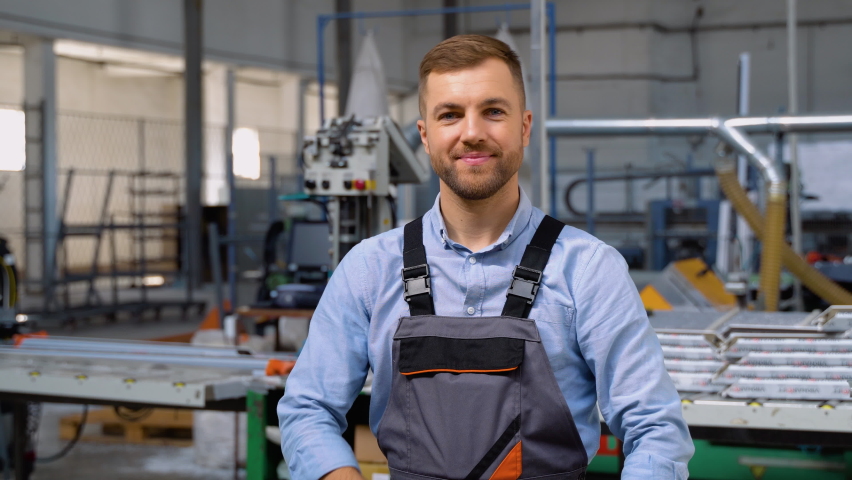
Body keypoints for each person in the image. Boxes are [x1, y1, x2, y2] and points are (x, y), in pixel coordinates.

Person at [278, 34, 693, 480]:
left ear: (524, 126)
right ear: (425, 134)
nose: (472, 132)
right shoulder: (368, 269)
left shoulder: (589, 270)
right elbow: (307, 409)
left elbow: (655, 428)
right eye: (450, 114)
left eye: (493, 111)